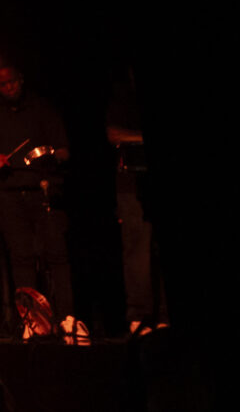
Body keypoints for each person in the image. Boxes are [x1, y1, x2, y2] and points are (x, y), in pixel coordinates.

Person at [0, 63, 72, 331]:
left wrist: (47, 153)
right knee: (21, 258)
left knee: (56, 254)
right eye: (2, 84)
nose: (8, 87)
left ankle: (67, 318)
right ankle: (32, 322)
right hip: (7, 193)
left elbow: (65, 151)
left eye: (12, 82)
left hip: (43, 189)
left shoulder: (42, 108)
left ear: (21, 79)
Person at [106, 67, 163, 335]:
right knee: (136, 251)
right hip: (130, 185)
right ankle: (139, 314)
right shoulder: (123, 101)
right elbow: (114, 134)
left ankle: (164, 315)